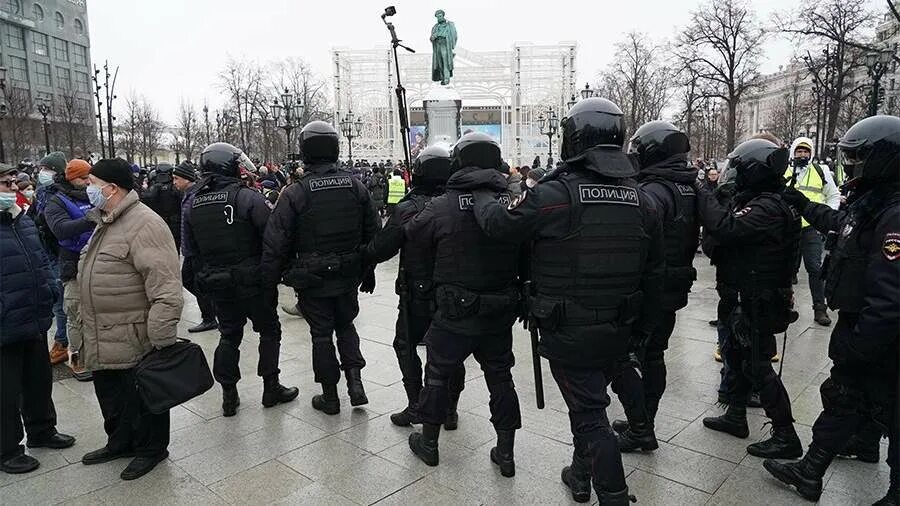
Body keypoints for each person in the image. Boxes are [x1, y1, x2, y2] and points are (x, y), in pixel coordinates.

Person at [472, 99, 663, 504]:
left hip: (568, 327)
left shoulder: (555, 194)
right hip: (619, 325)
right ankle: (580, 475)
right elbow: (654, 269)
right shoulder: (642, 199)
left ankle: (612, 494)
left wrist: (483, 193)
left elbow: (499, 225)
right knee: (592, 401)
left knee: (592, 416)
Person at [765, 115, 899, 505]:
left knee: (872, 401)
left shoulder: (894, 214)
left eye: (859, 159)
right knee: (847, 396)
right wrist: (803, 204)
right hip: (865, 326)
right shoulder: (875, 205)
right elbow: (842, 223)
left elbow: (891, 296)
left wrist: (863, 344)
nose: (852, 168)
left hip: (880, 333)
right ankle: (821, 465)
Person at [404, 132, 522, 478]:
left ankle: (429, 442)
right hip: (499, 309)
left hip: (455, 309)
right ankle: (506, 452)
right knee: (501, 377)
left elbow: (413, 234)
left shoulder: (441, 205)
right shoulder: (512, 202)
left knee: (437, 375)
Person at [73, 158, 183, 481]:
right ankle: (120, 442)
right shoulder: (106, 219)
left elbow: (165, 286)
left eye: (92, 183)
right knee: (112, 395)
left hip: (134, 334)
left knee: (143, 397)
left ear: (112, 188)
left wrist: (161, 337)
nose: (88, 189)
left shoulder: (145, 223)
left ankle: (151, 449)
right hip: (103, 332)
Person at [262, 121, 380, 415]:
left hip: (313, 278)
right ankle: (356, 384)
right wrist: (368, 269)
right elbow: (374, 232)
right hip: (348, 274)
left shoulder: (294, 193)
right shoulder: (355, 185)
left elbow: (276, 240)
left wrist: (271, 279)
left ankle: (330, 396)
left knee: (322, 335)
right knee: (346, 325)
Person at [697, 138, 803, 459]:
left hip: (759, 300)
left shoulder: (767, 207)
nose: (732, 174)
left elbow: (726, 228)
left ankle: (786, 434)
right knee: (738, 358)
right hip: (744, 295)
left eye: (738, 168)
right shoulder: (759, 200)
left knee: (758, 366)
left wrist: (702, 194)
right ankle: (735, 415)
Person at [186, 143, 298, 417]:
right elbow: (272, 239)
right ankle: (271, 387)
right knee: (269, 331)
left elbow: (191, 252)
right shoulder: (248, 198)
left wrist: (204, 281)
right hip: (252, 281)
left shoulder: (193, 203)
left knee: (229, 336)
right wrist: (274, 276)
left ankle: (228, 395)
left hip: (219, 283)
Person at [610, 120, 698, 454]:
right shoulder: (686, 186)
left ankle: (641, 428)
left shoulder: (652, 192)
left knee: (632, 357)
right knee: (654, 354)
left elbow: (637, 243)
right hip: (673, 285)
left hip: (651, 290)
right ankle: (643, 419)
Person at [364, 144, 466, 429]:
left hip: (417, 294)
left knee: (405, 344)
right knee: (451, 351)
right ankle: (449, 409)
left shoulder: (409, 208)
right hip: (453, 291)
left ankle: (417, 404)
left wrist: (364, 253)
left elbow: (381, 248)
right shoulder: (458, 203)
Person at [0, 164, 76, 475]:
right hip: (5, 322)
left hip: (33, 315)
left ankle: (42, 429)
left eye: (13, 182)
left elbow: (41, 260)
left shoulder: (21, 220)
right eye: (5, 183)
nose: (14, 188)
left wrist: (48, 290)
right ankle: (6, 449)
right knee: (5, 390)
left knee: (38, 380)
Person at [44, 159, 96, 381]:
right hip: (72, 264)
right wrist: (89, 219)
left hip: (97, 260)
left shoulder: (93, 195)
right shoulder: (57, 201)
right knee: (75, 316)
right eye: (82, 179)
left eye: (89, 178)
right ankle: (77, 362)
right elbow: (61, 230)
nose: (87, 183)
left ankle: (94, 357)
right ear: (70, 178)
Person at [784, 137, 839, 327]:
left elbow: (833, 195)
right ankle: (785, 304)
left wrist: (826, 220)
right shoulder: (785, 170)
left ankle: (819, 308)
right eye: (799, 151)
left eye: (806, 151)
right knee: (784, 268)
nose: (802, 154)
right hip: (787, 227)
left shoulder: (820, 170)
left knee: (814, 268)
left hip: (811, 227)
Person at [27, 152, 69, 366]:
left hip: (58, 253)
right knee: (56, 299)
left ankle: (62, 342)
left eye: (47, 169)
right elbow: (32, 220)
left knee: (60, 300)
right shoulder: (41, 193)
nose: (42, 173)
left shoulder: (60, 194)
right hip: (45, 252)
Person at [172, 161, 217, 334]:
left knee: (197, 282)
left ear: (187, 179)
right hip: (191, 250)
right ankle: (212, 310)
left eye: (176, 178)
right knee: (190, 280)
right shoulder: (188, 194)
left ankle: (209, 317)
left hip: (197, 251)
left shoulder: (195, 196)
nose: (174, 182)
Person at [141, 163, 183, 250]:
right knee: (174, 249)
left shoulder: (152, 188)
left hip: (157, 223)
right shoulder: (175, 188)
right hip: (175, 224)